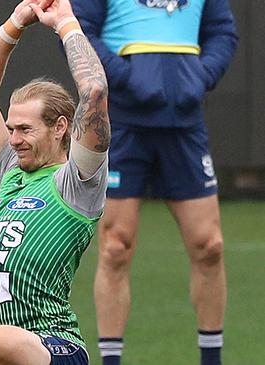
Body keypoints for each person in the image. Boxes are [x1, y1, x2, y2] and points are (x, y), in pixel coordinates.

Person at [69, 0, 238, 364]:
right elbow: (79, 29)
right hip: (124, 125)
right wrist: (129, 79)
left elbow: (223, 33)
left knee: (209, 246)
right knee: (115, 247)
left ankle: (212, 360)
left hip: (185, 126)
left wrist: (199, 76)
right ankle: (111, 360)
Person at [0, 0, 110, 364]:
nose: (14, 139)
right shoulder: (11, 171)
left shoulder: (76, 182)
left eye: (25, 129)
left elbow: (94, 91)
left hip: (54, 346)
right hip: (1, 349)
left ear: (61, 127)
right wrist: (16, 23)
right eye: (10, 129)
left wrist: (65, 21)